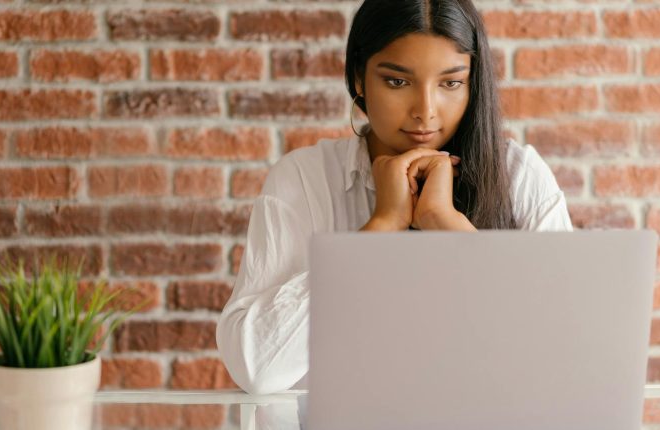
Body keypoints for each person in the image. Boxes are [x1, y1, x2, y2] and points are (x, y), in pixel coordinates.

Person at [216, 0, 574, 428]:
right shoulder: (304, 180)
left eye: (450, 83)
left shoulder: (520, 177)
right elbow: (257, 367)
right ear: (358, 79)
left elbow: (565, 361)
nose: (425, 110)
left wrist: (450, 226)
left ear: (473, 84)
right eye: (397, 80)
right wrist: (379, 230)